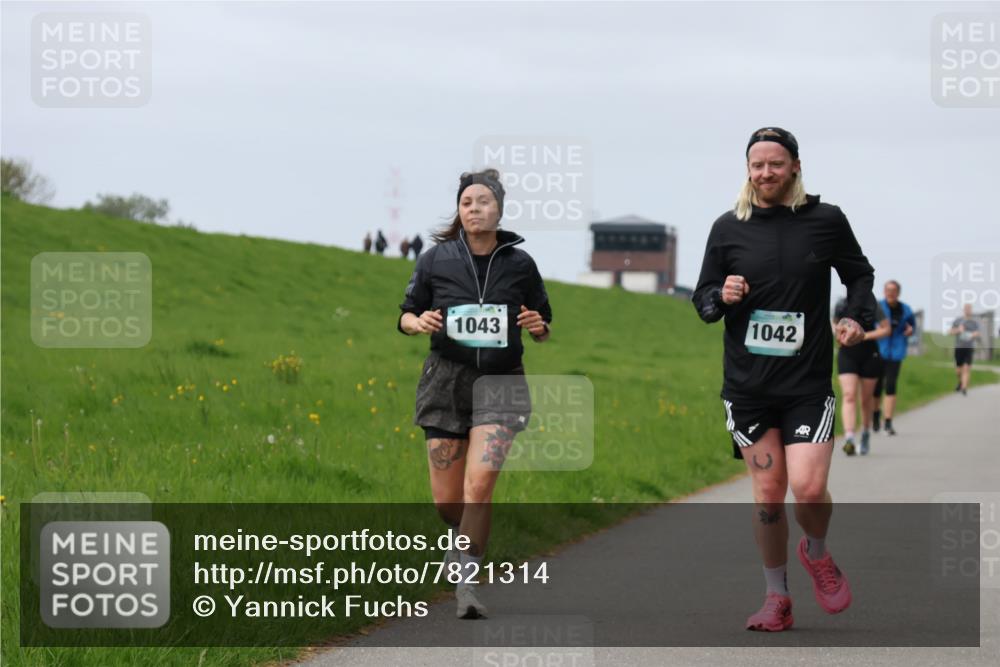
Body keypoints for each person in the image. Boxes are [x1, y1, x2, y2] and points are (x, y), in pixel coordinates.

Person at [693, 127, 876, 632]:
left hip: (807, 384)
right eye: (757, 166)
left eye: (775, 164)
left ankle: (816, 552)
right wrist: (721, 295)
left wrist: (856, 316)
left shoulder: (825, 220)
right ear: (747, 170)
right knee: (769, 493)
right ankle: (777, 598)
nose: (765, 173)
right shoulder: (728, 227)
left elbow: (859, 273)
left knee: (809, 487)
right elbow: (703, 299)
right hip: (749, 388)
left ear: (795, 165)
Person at [397, 168, 552, 619]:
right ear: (459, 210)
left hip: (501, 382)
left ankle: (467, 586)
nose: (474, 209)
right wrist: (418, 322)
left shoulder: (519, 264)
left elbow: (542, 321)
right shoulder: (435, 259)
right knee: (448, 501)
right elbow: (406, 313)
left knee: (479, 486)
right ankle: (458, 541)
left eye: (483, 202)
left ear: (499, 208)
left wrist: (539, 327)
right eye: (467, 203)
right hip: (446, 381)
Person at [832, 297, 889, 456]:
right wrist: (839, 333)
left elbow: (886, 329)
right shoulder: (841, 304)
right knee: (849, 395)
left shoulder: (872, 304)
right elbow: (834, 323)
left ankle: (865, 433)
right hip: (847, 353)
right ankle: (849, 438)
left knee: (866, 399)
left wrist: (863, 335)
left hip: (869, 353)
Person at [873, 280, 915, 435]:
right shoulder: (877, 307)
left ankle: (888, 422)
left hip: (896, 352)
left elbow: (912, 326)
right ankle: (875, 416)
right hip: (878, 351)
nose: (890, 292)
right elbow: (869, 325)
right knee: (876, 388)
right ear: (884, 291)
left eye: (893, 290)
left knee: (890, 385)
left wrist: (910, 331)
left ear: (898, 292)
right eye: (887, 290)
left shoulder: (906, 310)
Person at [948, 303, 980, 395]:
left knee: (966, 368)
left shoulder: (974, 322)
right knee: (958, 370)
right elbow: (950, 332)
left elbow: (978, 333)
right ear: (964, 310)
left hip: (969, 347)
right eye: (966, 308)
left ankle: (964, 388)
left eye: (969, 308)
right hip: (959, 347)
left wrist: (972, 335)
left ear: (971, 310)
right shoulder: (958, 320)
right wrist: (958, 330)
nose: (968, 310)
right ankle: (961, 382)